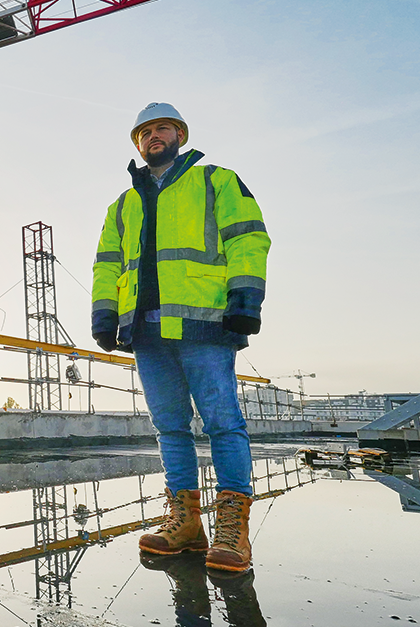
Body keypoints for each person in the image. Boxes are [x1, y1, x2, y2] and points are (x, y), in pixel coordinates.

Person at [90, 102, 270, 572]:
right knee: (169, 427)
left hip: (205, 324)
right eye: (144, 132)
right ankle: (186, 523)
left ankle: (232, 531)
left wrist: (245, 298)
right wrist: (104, 316)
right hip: (145, 330)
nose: (153, 136)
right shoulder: (123, 205)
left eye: (162, 128)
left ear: (180, 135)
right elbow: (108, 264)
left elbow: (248, 237)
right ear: (137, 143)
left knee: (222, 422)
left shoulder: (216, 181)